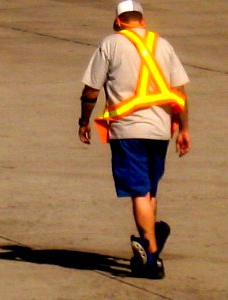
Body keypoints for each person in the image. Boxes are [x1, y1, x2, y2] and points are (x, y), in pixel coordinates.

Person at [78, 0, 191, 279]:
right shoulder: (162, 45)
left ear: (117, 22)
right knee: (149, 191)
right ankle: (150, 237)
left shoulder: (111, 44)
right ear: (142, 20)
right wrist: (184, 130)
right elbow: (180, 92)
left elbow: (91, 89)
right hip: (161, 129)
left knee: (139, 192)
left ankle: (150, 256)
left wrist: (84, 122)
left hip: (128, 131)